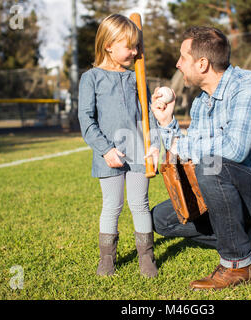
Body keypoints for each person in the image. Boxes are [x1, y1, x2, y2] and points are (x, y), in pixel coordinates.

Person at [149, 26, 251, 290]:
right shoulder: (200, 103)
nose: (177, 64)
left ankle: (238, 265)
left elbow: (234, 149)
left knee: (212, 165)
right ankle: (250, 238)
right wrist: (167, 123)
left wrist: (180, 146)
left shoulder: (247, 85)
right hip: (232, 191)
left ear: (202, 63)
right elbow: (189, 157)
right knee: (161, 218)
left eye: (182, 58)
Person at [78, 14, 160, 278]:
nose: (135, 51)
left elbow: (148, 115)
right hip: (108, 155)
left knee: (140, 204)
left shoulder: (137, 75)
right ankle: (107, 260)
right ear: (109, 45)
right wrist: (105, 149)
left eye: (137, 46)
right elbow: (86, 119)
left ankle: (146, 258)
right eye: (130, 46)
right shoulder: (91, 78)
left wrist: (154, 145)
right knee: (112, 206)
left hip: (138, 152)